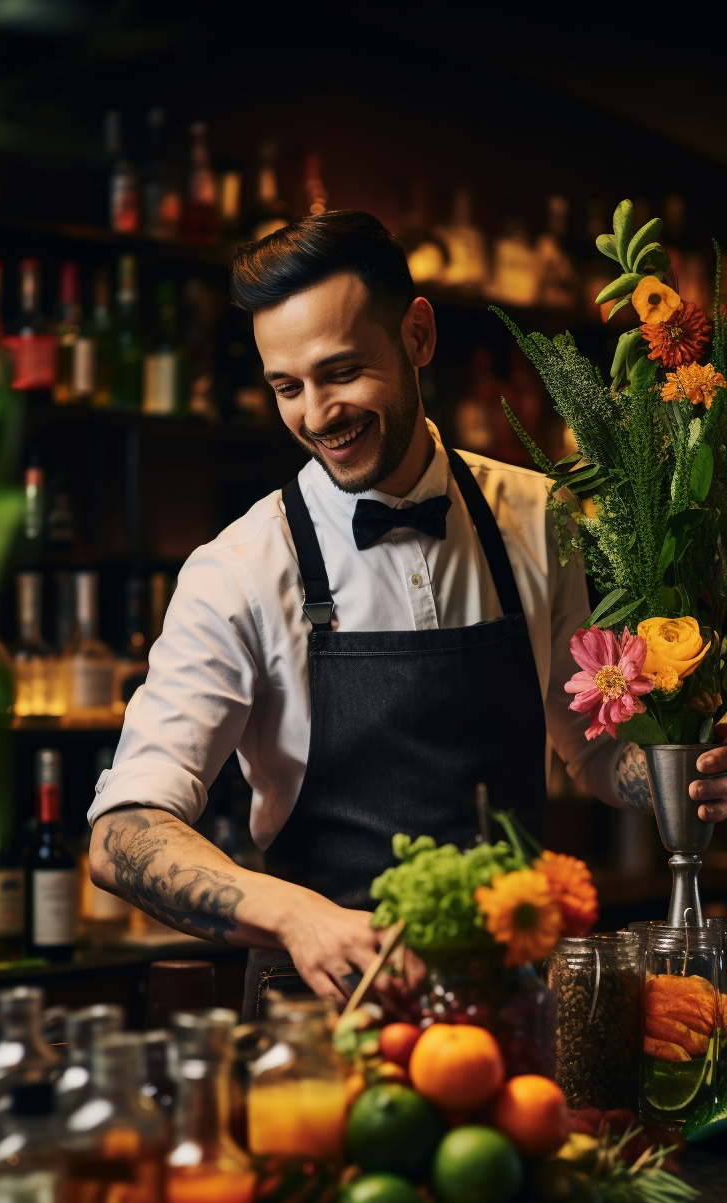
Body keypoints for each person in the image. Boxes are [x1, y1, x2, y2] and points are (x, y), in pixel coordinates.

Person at [88, 211, 727, 1016]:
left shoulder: (542, 519)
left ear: (417, 335)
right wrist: (294, 914)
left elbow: (594, 755)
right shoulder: (239, 571)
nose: (317, 414)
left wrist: (680, 773)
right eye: (288, 387)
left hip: (514, 1017)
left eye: (342, 371)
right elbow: (122, 834)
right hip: (323, 1028)